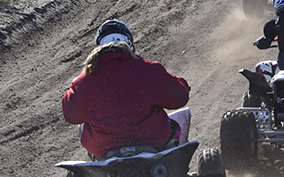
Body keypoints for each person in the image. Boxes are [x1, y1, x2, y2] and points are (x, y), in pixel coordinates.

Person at [61, 19, 190, 159]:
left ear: (99, 46)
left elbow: (71, 115)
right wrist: (181, 83)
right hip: (152, 140)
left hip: (104, 148)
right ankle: (173, 167)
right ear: (129, 44)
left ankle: (98, 172)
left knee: (84, 129)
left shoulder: (84, 81)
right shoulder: (150, 70)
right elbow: (180, 98)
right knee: (175, 126)